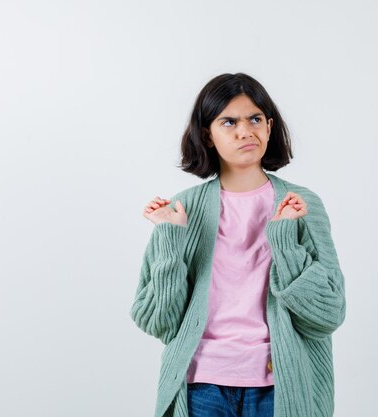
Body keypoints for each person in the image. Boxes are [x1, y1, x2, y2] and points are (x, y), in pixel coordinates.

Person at [130, 72, 346, 417]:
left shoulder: (301, 204)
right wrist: (170, 241)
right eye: (228, 122)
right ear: (208, 135)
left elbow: (328, 314)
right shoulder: (182, 209)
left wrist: (285, 243)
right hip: (201, 386)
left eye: (255, 119)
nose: (245, 131)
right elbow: (159, 322)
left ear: (270, 126)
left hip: (280, 387)